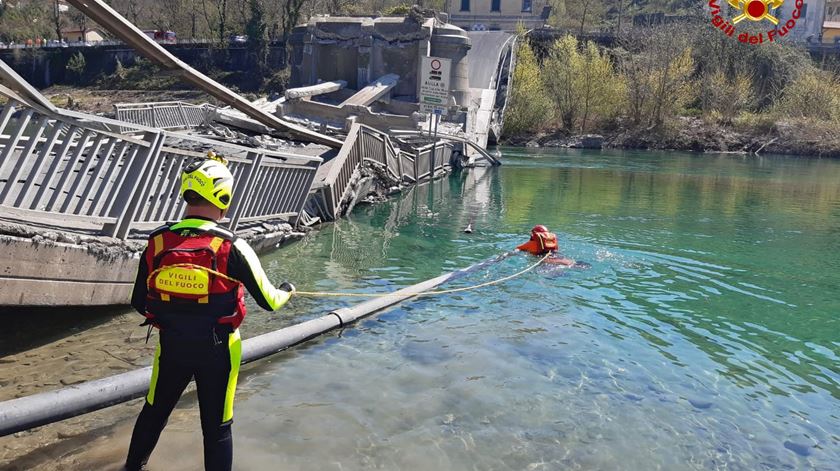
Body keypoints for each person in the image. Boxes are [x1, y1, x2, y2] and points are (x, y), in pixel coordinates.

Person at [125, 152, 296, 471]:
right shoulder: (233, 246)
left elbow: (139, 301)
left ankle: (132, 467)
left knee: (153, 412)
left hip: (172, 346)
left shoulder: (158, 241)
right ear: (223, 195)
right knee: (217, 427)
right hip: (219, 350)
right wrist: (287, 290)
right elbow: (269, 301)